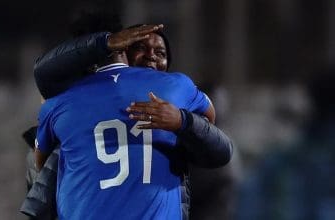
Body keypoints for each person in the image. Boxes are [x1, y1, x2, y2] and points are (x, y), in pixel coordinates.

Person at [34, 24, 231, 219]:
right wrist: (182, 119)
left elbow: (39, 165)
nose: (151, 57)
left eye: (160, 53)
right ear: (122, 51)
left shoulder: (60, 102)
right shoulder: (177, 87)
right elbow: (211, 119)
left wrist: (182, 121)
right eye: (141, 48)